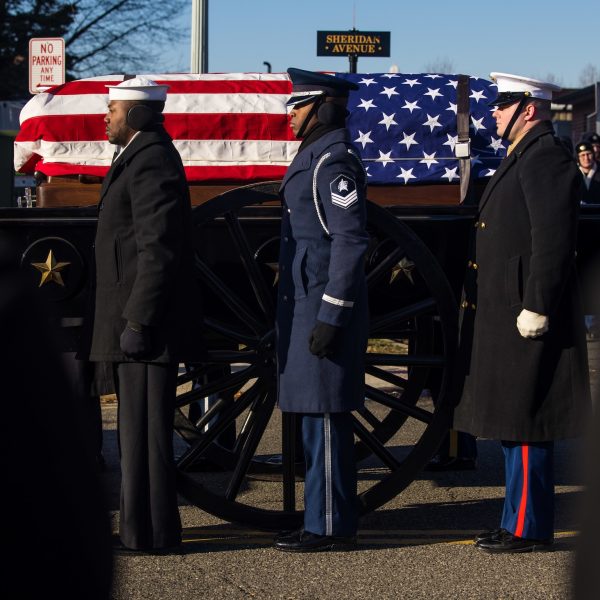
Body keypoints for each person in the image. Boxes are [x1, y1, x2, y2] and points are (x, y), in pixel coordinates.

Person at [453, 72, 590, 553]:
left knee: (529, 423)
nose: (492, 112)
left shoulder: (545, 156)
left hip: (526, 312)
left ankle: (529, 527)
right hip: (508, 309)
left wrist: (537, 305)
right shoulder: (523, 155)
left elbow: (552, 241)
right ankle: (514, 520)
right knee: (514, 423)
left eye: (501, 105)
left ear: (527, 108)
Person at [86, 77, 205, 553]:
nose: (106, 117)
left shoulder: (151, 157)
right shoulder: (137, 155)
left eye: (113, 109)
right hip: (135, 321)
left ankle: (154, 534)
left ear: (134, 115)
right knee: (134, 435)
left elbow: (159, 248)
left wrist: (139, 320)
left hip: (145, 325)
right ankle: (140, 531)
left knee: (147, 436)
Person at [273, 68, 369, 552]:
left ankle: (330, 526)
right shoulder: (314, 158)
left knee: (327, 419)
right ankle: (319, 518)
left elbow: (349, 242)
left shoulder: (332, 164)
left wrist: (333, 315)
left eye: (297, 105)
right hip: (308, 305)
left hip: (323, 309)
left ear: (321, 108)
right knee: (315, 418)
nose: (289, 114)